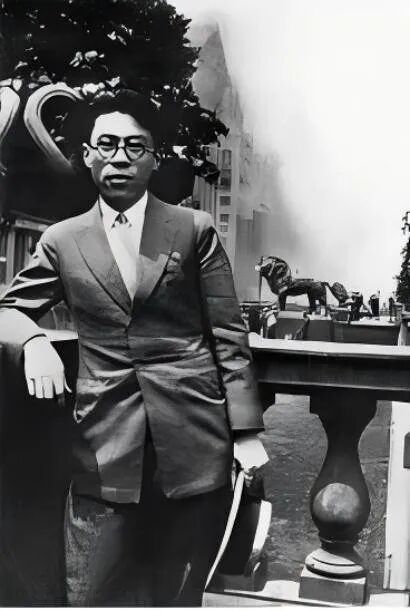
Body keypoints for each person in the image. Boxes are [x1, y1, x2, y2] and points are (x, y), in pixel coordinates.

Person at [0, 89, 267, 606]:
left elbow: (228, 334)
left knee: (178, 595)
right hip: (103, 445)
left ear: (153, 157)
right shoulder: (62, 240)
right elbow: (9, 309)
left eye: (134, 145)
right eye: (106, 144)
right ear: (87, 155)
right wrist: (32, 340)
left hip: (194, 442)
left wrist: (247, 432)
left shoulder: (192, 229)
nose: (119, 157)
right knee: (90, 591)